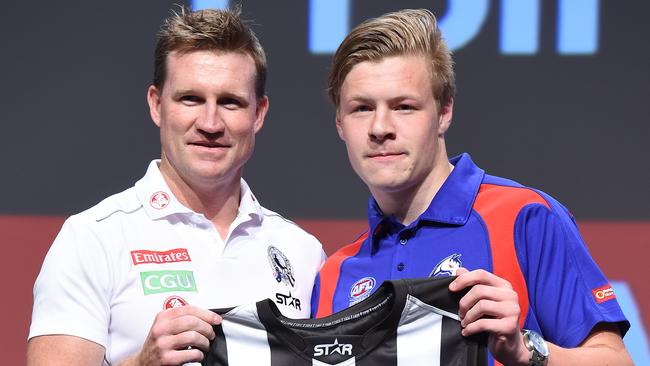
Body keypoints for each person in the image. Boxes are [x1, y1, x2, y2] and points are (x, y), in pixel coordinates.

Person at [311, 9, 632, 366]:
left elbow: (615, 360)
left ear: (444, 112)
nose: (380, 127)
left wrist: (527, 351)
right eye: (361, 108)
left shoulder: (524, 217)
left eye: (404, 106)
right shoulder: (334, 274)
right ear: (340, 123)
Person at [27, 7, 325, 366]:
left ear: (258, 113)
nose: (210, 123)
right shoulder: (93, 238)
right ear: (156, 105)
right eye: (191, 99)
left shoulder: (302, 252)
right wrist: (141, 363)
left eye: (230, 102)